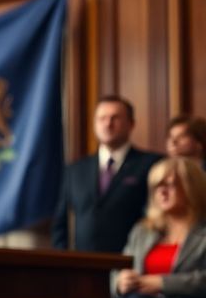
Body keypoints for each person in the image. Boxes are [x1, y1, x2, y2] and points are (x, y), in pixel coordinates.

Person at [52, 96, 162, 253]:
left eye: (115, 118)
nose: (108, 124)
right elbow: (60, 222)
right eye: (102, 118)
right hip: (83, 264)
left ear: (131, 124)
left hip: (131, 264)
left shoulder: (151, 164)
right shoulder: (75, 170)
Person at [112, 157, 206, 298]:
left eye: (170, 184)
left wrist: (162, 283)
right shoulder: (142, 231)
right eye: (157, 186)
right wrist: (120, 282)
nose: (162, 191)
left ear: (192, 187)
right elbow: (120, 269)